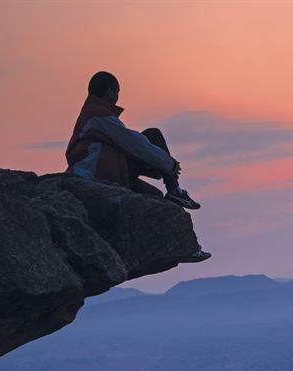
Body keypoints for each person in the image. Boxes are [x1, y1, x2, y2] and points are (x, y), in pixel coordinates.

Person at [66, 71, 210, 262]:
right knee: (153, 135)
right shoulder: (98, 116)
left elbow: (130, 142)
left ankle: (184, 247)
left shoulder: (95, 115)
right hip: (100, 173)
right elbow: (133, 143)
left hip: (111, 171)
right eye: (117, 91)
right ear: (109, 92)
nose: (118, 96)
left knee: (158, 200)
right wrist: (169, 164)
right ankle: (174, 189)